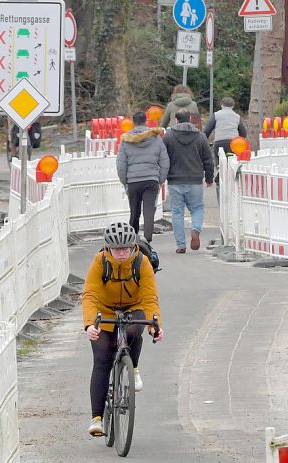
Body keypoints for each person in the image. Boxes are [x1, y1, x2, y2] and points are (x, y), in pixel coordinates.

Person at [82, 222, 164, 437]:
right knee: (102, 359)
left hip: (133, 306)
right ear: (108, 248)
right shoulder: (100, 262)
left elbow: (149, 297)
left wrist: (156, 327)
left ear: (132, 247)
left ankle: (133, 367)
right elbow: (89, 294)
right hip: (104, 310)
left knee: (135, 330)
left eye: (126, 248)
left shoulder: (141, 262)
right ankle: (97, 418)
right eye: (117, 249)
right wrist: (90, 324)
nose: (121, 253)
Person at [163, 110, 214, 254]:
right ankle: (195, 230)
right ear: (190, 119)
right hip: (195, 180)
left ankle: (181, 245)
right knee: (197, 209)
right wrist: (209, 178)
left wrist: (162, 176)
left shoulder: (169, 137)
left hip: (174, 181)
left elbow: (163, 158)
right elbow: (208, 160)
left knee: (177, 213)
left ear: (176, 120)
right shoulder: (200, 137)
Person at [116, 111, 169, 243]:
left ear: (133, 123)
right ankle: (147, 239)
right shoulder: (156, 139)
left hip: (133, 181)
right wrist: (160, 180)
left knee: (134, 211)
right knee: (149, 211)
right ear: (146, 121)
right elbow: (164, 161)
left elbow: (121, 164)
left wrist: (125, 182)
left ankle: (132, 239)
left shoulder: (126, 141)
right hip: (151, 180)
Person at [203, 97, 248, 198]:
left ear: (221, 105)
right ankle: (233, 176)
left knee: (220, 160)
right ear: (233, 106)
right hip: (233, 143)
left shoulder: (216, 115)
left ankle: (219, 172)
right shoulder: (237, 116)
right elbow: (243, 133)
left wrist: (204, 142)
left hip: (219, 142)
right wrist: (239, 140)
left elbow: (207, 131)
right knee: (232, 160)